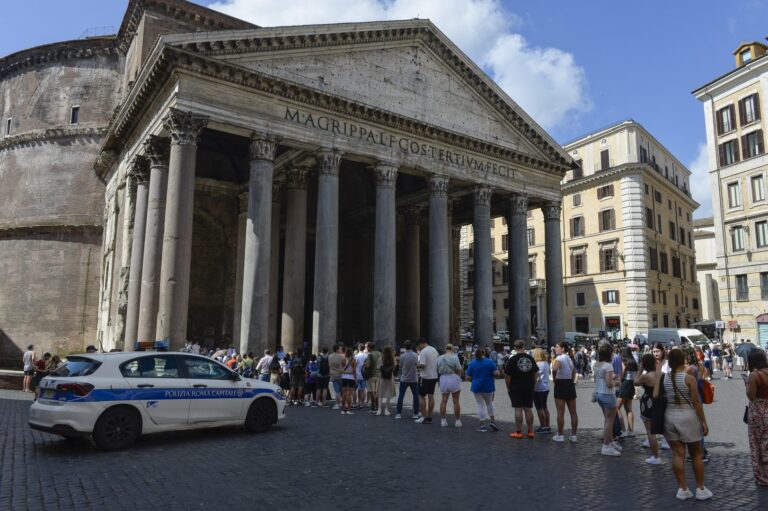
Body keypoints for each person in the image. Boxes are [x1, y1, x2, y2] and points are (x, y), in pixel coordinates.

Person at [653, 348, 712, 501]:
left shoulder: (664, 378)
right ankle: (700, 488)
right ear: (682, 360)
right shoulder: (688, 378)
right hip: (688, 417)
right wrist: (703, 422)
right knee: (696, 454)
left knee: (677, 454)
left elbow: (656, 395)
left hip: (669, 417)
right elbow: (697, 403)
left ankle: (682, 488)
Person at [504, 339, 538, 438]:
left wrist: (508, 386)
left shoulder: (512, 359)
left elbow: (507, 376)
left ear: (514, 348)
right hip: (529, 386)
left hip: (516, 386)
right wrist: (533, 384)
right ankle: (531, 431)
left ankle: (519, 432)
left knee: (518, 409)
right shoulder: (530, 358)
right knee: (528, 408)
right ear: (523, 347)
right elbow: (535, 373)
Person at [594, 344, 622, 456]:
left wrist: (612, 377)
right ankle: (606, 446)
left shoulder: (597, 364)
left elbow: (599, 379)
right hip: (608, 394)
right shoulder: (608, 366)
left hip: (599, 394)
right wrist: (617, 382)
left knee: (607, 420)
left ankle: (610, 442)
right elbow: (609, 384)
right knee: (609, 421)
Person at [634, 354, 662, 465]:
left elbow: (635, 382)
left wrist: (640, 371)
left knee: (650, 431)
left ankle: (655, 456)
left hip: (648, 403)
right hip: (660, 401)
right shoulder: (661, 374)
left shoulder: (646, 376)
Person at [746, 349, 768, 486]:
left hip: (759, 413)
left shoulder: (754, 376)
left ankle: (763, 475)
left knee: (757, 444)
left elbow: (751, 396)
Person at [466, 347, 499, 432]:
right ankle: (492, 421)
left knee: (480, 405)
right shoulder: (490, 362)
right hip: (489, 385)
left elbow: (468, 377)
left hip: (476, 386)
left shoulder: (472, 363)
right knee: (489, 403)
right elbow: (497, 373)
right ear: (484, 353)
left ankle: (482, 425)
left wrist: (473, 380)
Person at [551, 342, 578, 443]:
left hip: (561, 384)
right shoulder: (569, 358)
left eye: (557, 347)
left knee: (560, 412)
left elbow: (554, 369)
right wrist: (571, 379)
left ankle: (560, 434)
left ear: (562, 349)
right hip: (569, 384)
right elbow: (574, 371)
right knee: (573, 412)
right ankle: (574, 435)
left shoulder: (559, 358)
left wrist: (554, 378)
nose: (555, 348)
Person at [437, 344, 463, 428]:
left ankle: (443, 421)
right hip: (453, 377)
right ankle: (457, 421)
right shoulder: (455, 357)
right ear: (452, 349)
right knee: (456, 401)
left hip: (443, 378)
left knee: (444, 400)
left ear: (445, 349)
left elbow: (437, 369)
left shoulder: (440, 358)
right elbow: (459, 369)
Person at [415, 338, 439, 424]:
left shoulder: (423, 352)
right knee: (431, 395)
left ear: (421, 344)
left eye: (418, 346)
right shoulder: (434, 349)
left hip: (425, 377)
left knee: (421, 396)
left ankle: (423, 416)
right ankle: (429, 416)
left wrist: (416, 365)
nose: (419, 348)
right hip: (434, 376)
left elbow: (422, 365)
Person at [616, 347, 638, 438]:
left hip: (625, 384)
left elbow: (621, 375)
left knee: (616, 407)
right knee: (629, 409)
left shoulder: (624, 362)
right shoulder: (634, 362)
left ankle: (623, 429)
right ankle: (631, 430)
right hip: (631, 384)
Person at [396, 340, 420, 420]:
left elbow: (400, 366)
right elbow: (417, 365)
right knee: (416, 396)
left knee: (401, 396)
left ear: (404, 346)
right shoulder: (415, 355)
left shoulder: (402, 356)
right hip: (414, 378)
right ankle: (415, 413)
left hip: (404, 378)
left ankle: (398, 413)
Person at [532, 348, 551, 433]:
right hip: (546, 387)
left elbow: (536, 377)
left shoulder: (538, 364)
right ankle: (547, 425)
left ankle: (543, 426)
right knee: (544, 407)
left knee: (539, 408)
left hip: (539, 388)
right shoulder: (546, 363)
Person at [377, 346, 396, 416]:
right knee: (388, 393)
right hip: (390, 377)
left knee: (380, 393)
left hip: (382, 377)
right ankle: (386, 409)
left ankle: (379, 409)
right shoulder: (393, 358)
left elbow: (378, 367)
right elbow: (394, 368)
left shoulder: (381, 358)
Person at [364, 342, 381, 413]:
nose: (366, 348)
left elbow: (367, 365)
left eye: (366, 347)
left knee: (372, 392)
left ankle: (373, 407)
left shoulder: (370, 355)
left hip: (371, 375)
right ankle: (377, 406)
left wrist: (364, 363)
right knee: (377, 392)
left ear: (369, 348)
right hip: (379, 375)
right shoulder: (380, 354)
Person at [340, 347, 357, 415]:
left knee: (344, 394)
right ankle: (349, 410)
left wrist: (345, 372)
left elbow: (341, 369)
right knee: (349, 394)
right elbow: (354, 371)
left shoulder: (343, 360)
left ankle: (343, 409)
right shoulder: (353, 360)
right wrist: (355, 378)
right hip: (351, 377)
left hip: (344, 377)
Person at [329, 343, 345, 409]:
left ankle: (337, 404)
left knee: (337, 391)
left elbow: (329, 365)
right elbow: (344, 365)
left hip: (333, 374)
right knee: (342, 390)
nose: (340, 349)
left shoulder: (330, 356)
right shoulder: (342, 357)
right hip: (341, 374)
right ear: (337, 349)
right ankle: (342, 403)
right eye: (340, 348)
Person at [354, 343, 368, 409]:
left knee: (356, 389)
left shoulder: (356, 356)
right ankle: (362, 403)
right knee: (364, 389)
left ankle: (356, 402)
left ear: (358, 348)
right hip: (364, 374)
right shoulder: (366, 356)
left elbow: (354, 365)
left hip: (357, 374)